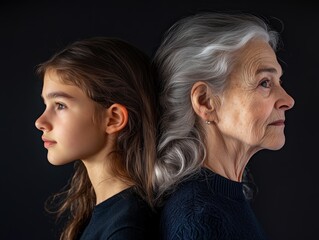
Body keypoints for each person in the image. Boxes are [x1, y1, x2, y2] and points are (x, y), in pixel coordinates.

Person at [152, 12, 295, 240]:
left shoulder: (224, 199)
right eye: (265, 83)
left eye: (279, 81)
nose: (288, 100)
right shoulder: (199, 219)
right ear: (205, 102)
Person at [35, 37, 159, 240]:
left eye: (60, 105)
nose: (40, 122)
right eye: (46, 105)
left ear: (113, 119)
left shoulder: (126, 229)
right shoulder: (103, 211)